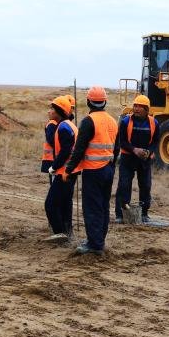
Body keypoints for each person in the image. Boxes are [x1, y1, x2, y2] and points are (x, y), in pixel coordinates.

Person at [63, 86, 119, 255]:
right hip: (108, 169)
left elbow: (79, 149)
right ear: (105, 101)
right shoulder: (112, 120)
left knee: (92, 207)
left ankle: (94, 245)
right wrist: (112, 164)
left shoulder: (89, 121)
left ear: (88, 101)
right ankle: (98, 239)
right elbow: (116, 148)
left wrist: (69, 169)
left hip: (93, 171)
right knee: (102, 206)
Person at [115, 95, 158, 224]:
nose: (136, 108)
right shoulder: (125, 122)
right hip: (128, 158)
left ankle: (144, 214)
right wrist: (134, 150)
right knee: (124, 185)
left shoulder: (154, 123)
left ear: (147, 109)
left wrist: (148, 151)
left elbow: (155, 141)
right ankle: (120, 214)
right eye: (135, 106)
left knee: (145, 186)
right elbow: (121, 142)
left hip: (144, 160)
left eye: (140, 106)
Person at [43, 96, 77, 243]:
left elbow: (65, 151)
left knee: (50, 204)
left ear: (59, 111)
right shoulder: (69, 125)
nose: (49, 111)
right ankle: (67, 232)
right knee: (65, 202)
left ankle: (60, 233)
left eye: (52, 109)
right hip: (70, 171)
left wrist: (54, 167)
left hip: (64, 172)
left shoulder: (63, 127)